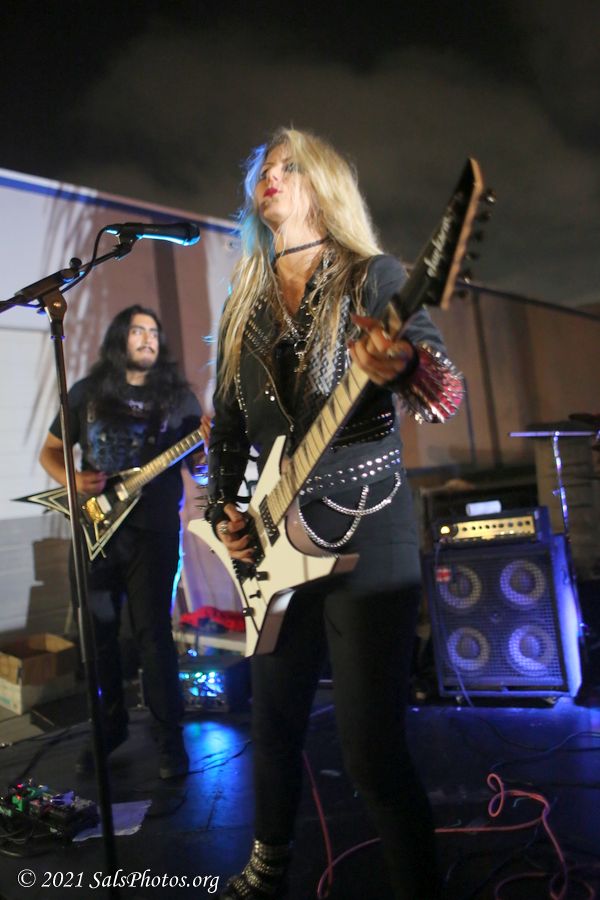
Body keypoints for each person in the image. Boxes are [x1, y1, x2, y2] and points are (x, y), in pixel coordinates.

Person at [205, 127, 463, 899]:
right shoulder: (244, 304)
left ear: (321, 184)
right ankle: (266, 869)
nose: (272, 176)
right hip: (275, 547)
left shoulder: (374, 277)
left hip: (368, 526)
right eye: (264, 169)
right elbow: (228, 429)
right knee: (273, 725)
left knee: (371, 753)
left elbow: (446, 393)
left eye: (289, 167)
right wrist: (225, 511)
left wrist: (404, 364)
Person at [39, 305, 209, 780]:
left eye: (154, 332)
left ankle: (169, 739)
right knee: (99, 639)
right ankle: (107, 730)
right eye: (138, 331)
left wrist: (206, 448)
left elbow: (197, 470)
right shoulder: (86, 393)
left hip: (153, 534)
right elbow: (50, 452)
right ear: (120, 339)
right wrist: (73, 480)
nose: (148, 338)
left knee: (154, 635)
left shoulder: (179, 399)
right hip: (95, 533)